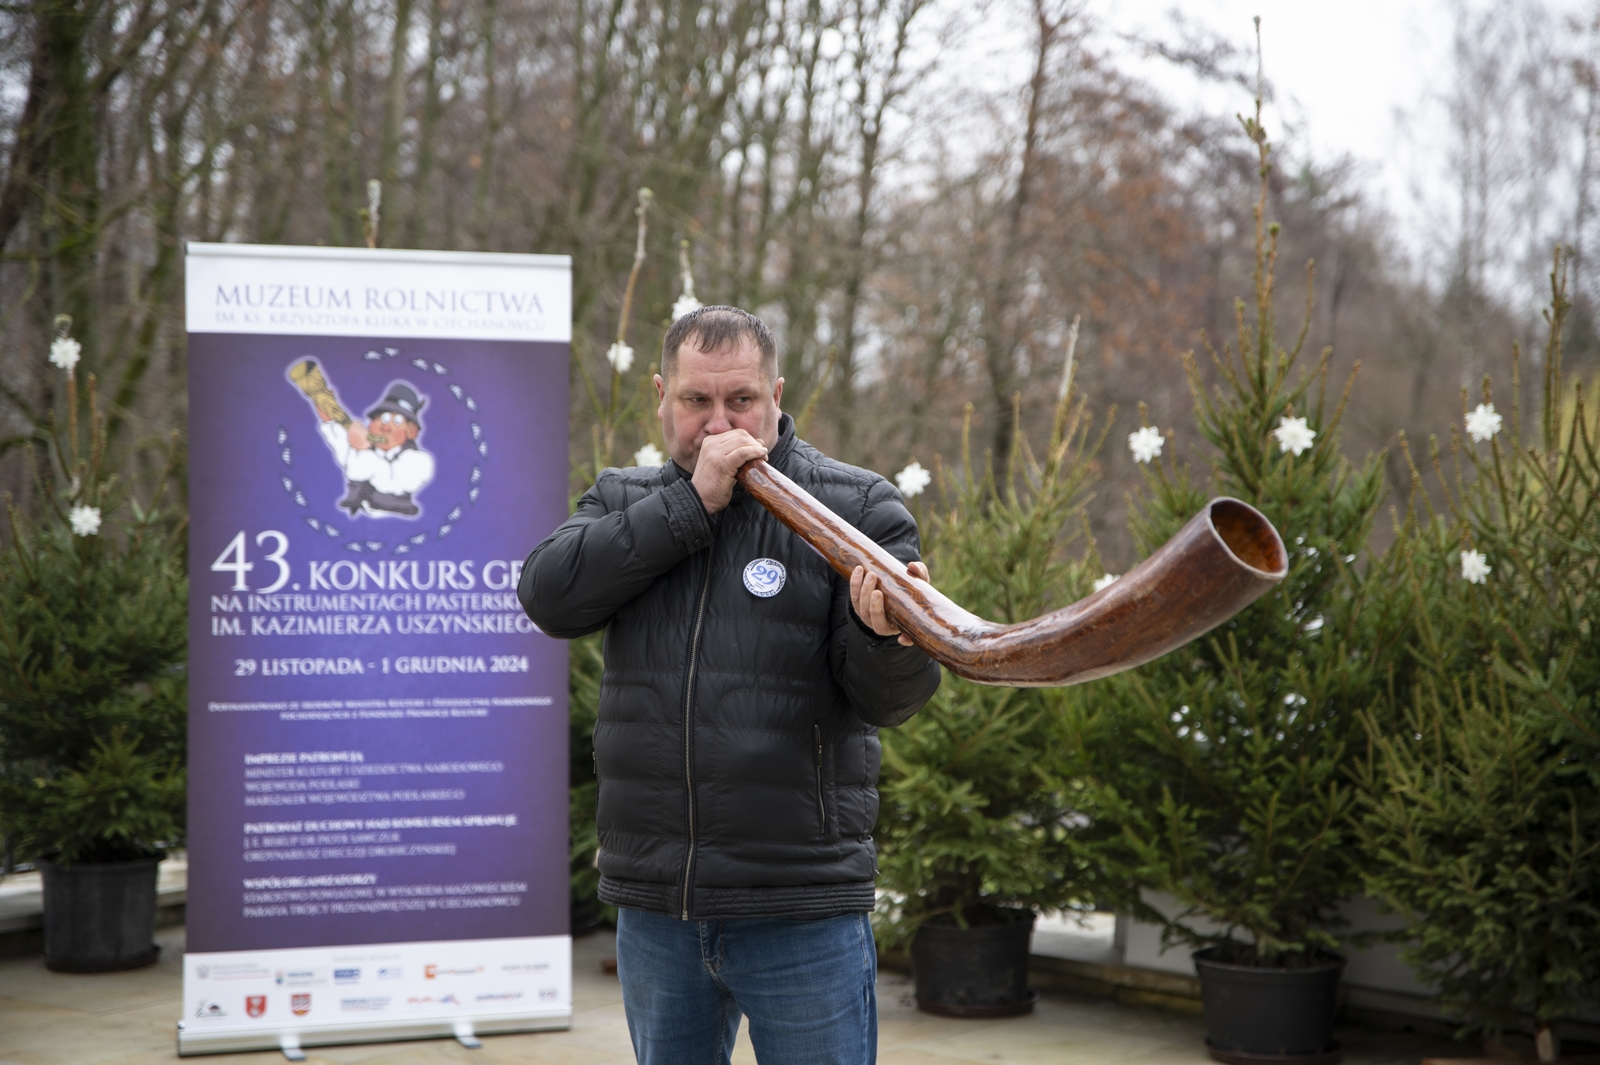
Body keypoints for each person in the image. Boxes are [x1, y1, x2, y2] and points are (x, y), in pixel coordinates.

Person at [520, 306, 941, 1065]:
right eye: (696, 400)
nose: (719, 424)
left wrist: (887, 637)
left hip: (802, 908)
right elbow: (549, 597)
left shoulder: (856, 507)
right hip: (657, 909)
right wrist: (691, 504)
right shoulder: (622, 500)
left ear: (775, 395)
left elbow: (893, 700)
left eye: (741, 399)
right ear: (662, 397)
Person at [312, 381, 435, 517]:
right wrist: (330, 420)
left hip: (397, 521)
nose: (385, 428)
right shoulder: (371, 450)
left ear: (411, 431)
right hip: (357, 519)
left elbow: (389, 481)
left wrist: (363, 448)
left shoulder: (419, 460)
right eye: (383, 419)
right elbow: (343, 448)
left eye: (397, 422)